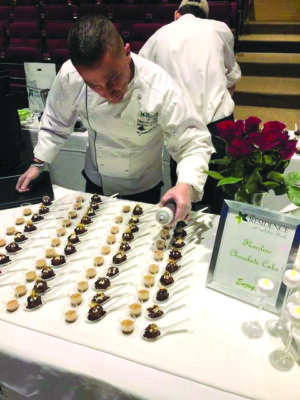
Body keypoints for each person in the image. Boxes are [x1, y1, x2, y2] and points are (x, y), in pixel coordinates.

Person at [16, 14, 213, 222]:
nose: (108, 93)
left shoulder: (159, 85)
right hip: (95, 181)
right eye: (94, 86)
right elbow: (56, 122)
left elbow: (192, 142)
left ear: (127, 53)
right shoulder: (70, 76)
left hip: (143, 186)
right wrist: (38, 163)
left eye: (113, 78)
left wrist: (186, 184)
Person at [139, 0, 241, 214]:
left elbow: (141, 76)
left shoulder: (158, 36)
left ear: (177, 14)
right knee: (223, 192)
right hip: (219, 125)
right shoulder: (219, 29)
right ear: (205, 15)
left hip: (179, 125)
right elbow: (232, 76)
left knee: (184, 194)